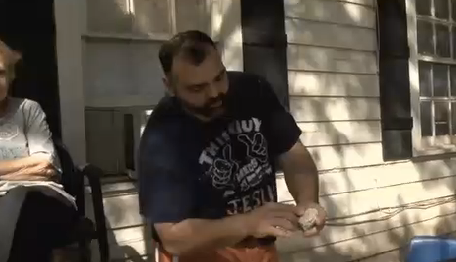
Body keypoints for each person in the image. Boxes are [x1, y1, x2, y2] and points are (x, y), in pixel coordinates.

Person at [138, 30, 327, 261]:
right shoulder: (162, 136)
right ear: (169, 86)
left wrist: (308, 200)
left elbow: (293, 153)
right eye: (197, 88)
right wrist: (248, 223)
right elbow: (172, 236)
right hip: (199, 253)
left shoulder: (253, 90)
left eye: (219, 77)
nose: (215, 92)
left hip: (260, 246)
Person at [0, 39, 77, 262]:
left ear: (12, 76)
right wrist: (26, 167)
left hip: (40, 198)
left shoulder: (28, 109)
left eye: (1, 73)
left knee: (34, 212)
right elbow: (35, 165)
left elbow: (45, 165)